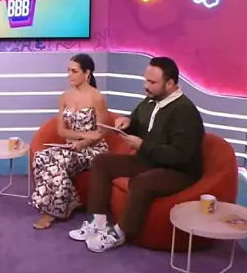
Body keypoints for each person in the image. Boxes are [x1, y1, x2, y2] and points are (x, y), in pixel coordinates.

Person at [69, 56, 205, 252]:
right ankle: (98, 223)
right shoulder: (151, 100)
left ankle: (121, 232)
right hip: (151, 159)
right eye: (145, 80)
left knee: (142, 182)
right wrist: (127, 123)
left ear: (170, 83)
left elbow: (180, 155)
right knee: (101, 161)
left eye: (152, 82)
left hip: (179, 170)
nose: (146, 86)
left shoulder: (185, 112)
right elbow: (138, 122)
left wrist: (143, 145)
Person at [31, 53, 109, 229]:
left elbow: (101, 131)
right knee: (41, 157)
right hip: (72, 146)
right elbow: (62, 131)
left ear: (87, 73)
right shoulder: (65, 96)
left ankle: (52, 212)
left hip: (93, 150)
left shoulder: (97, 97)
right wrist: (84, 136)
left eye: (74, 71)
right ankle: (70, 200)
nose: (69, 75)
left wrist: (84, 142)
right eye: (68, 70)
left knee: (57, 162)